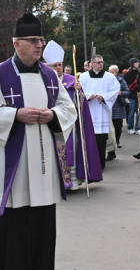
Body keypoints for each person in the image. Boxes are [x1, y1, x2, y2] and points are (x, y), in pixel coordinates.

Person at [0, 14, 77, 270]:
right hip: (12, 167)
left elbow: (67, 109)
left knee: (40, 225)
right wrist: (14, 115)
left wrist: (52, 115)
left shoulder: (50, 76)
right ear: (16, 44)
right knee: (13, 225)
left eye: (40, 41)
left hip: (43, 167)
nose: (38, 46)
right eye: (32, 41)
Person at [44, 40, 102, 188]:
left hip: (70, 125)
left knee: (72, 151)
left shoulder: (72, 81)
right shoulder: (43, 80)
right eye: (54, 65)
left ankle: (73, 182)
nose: (58, 68)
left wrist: (78, 92)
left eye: (60, 65)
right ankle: (57, 184)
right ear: (47, 66)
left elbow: (81, 104)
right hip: (53, 124)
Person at [78, 55, 119, 171]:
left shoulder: (110, 77)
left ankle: (100, 164)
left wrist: (104, 97)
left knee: (101, 140)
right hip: (89, 111)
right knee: (89, 139)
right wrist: (88, 97)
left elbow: (116, 89)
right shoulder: (83, 77)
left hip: (102, 112)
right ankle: (89, 163)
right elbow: (78, 92)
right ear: (92, 64)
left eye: (102, 62)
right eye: (98, 62)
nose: (101, 64)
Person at [108, 64, 130, 153]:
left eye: (112, 72)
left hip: (118, 106)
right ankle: (112, 143)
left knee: (118, 126)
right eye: (109, 72)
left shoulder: (121, 80)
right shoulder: (106, 81)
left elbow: (127, 91)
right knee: (110, 127)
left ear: (116, 73)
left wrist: (121, 92)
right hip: (109, 107)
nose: (111, 74)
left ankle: (117, 141)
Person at [123, 59, 140, 134]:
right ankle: (130, 127)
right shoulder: (127, 74)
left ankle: (138, 128)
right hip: (131, 96)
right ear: (132, 64)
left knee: (139, 113)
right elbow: (124, 85)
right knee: (131, 113)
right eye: (136, 62)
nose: (138, 63)